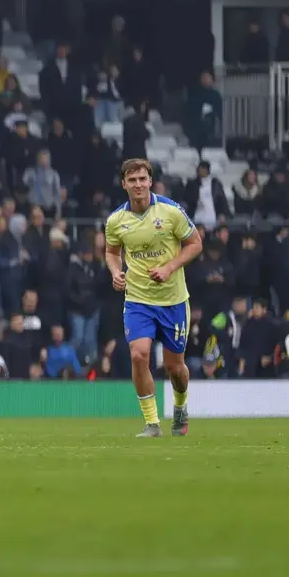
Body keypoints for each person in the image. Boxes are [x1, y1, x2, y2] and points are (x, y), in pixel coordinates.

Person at [104, 159, 202, 437]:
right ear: (124, 184)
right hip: (137, 300)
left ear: (150, 181)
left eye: (142, 179)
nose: (138, 184)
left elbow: (195, 243)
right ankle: (152, 423)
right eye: (132, 180)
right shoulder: (115, 221)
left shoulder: (171, 211)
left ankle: (180, 407)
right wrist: (115, 271)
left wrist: (170, 267)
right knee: (139, 355)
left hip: (173, 301)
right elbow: (112, 252)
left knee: (175, 368)